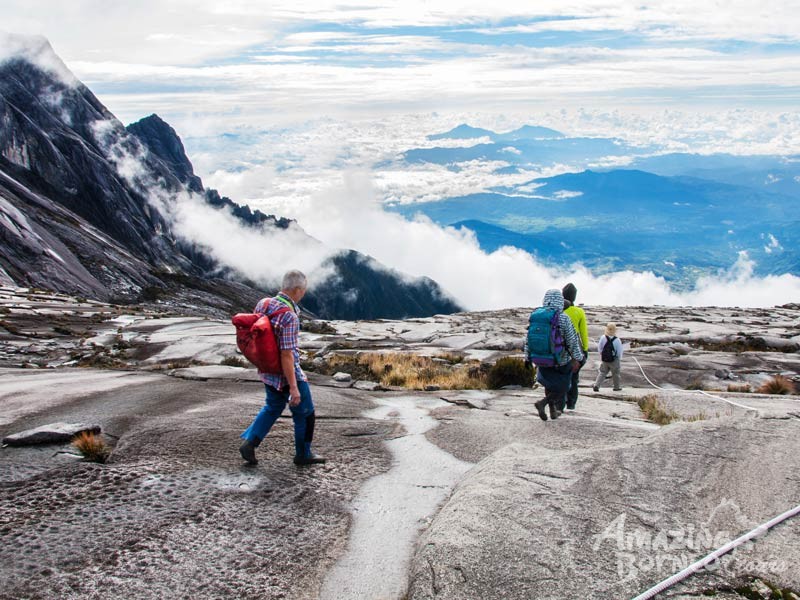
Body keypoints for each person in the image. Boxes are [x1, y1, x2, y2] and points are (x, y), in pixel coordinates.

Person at [239, 270, 326, 466]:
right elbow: (287, 354)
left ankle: (250, 443)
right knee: (305, 413)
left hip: (268, 369)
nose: (304, 293)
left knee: (273, 406)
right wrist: (294, 387)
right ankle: (303, 454)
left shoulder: (264, 303)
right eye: (303, 290)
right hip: (287, 374)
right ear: (296, 289)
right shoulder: (289, 317)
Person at [529, 289, 585, 421]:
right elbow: (572, 339)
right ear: (560, 301)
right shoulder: (563, 317)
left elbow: (528, 338)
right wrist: (578, 357)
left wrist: (528, 356)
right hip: (560, 359)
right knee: (564, 386)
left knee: (549, 384)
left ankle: (552, 410)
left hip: (541, 357)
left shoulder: (536, 315)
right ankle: (543, 403)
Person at [561, 282, 589, 412]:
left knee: (560, 375)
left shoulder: (558, 310)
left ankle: (560, 401)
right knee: (573, 376)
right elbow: (583, 333)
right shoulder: (579, 312)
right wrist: (585, 350)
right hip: (575, 349)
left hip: (559, 348)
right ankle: (571, 404)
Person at [593, 323, 624, 392]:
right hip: (614, 359)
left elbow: (600, 348)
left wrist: (602, 354)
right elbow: (619, 352)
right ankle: (616, 387)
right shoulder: (617, 340)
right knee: (616, 374)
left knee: (602, 372)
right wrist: (619, 358)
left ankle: (596, 385)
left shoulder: (603, 337)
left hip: (604, 358)